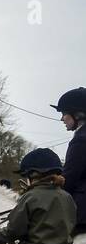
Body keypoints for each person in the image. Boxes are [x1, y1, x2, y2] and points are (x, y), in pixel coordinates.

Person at [53, 87, 86, 234]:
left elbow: (69, 179)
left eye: (64, 113)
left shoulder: (80, 140)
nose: (62, 118)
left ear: (78, 114)